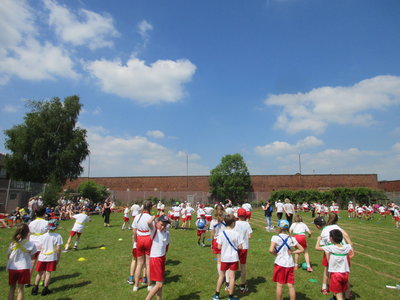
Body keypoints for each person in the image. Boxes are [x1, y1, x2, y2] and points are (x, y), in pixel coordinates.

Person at [314, 214, 352, 296]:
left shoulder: (324, 231)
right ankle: (348, 292)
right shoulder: (337, 227)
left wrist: (329, 260)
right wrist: (351, 247)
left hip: (332, 251)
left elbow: (324, 248)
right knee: (344, 271)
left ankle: (325, 288)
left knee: (328, 270)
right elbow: (346, 235)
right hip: (343, 250)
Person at [269, 219, 304, 300]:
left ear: (279, 227)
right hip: (290, 264)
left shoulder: (275, 237)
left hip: (280, 263)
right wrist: (292, 251)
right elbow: (301, 249)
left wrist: (275, 254)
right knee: (291, 286)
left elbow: (270, 250)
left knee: (279, 285)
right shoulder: (291, 238)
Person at [212, 214, 243, 300]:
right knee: (232, 277)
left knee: (221, 276)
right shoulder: (237, 234)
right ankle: (230, 296)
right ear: (233, 223)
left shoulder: (221, 233)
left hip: (224, 258)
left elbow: (218, 247)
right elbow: (240, 247)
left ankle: (217, 295)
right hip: (234, 258)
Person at [32, 219, 63, 296]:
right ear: (56, 227)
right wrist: (58, 258)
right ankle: (45, 289)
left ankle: (35, 289)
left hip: (42, 256)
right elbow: (58, 249)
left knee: (39, 273)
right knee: (48, 273)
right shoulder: (58, 236)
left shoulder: (43, 236)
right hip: (51, 257)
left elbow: (40, 246)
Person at [7, 223, 37, 300]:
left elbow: (8, 256)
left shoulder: (13, 243)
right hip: (24, 268)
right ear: (27, 232)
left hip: (13, 268)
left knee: (11, 289)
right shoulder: (30, 244)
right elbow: (33, 256)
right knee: (20, 289)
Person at [145, 215, 171, 300]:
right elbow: (149, 223)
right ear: (157, 223)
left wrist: (167, 221)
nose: (163, 226)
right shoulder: (154, 230)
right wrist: (154, 217)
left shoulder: (166, 233)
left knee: (160, 283)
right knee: (159, 284)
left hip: (162, 258)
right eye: (161, 224)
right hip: (155, 259)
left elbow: (166, 245)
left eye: (165, 225)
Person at [132, 201, 154, 292]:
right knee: (148, 263)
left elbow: (134, 231)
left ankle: (136, 286)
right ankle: (149, 285)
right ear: (150, 208)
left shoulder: (137, 217)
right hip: (148, 238)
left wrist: (135, 240)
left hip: (139, 239)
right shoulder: (150, 218)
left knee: (139, 263)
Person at [234, 208, 253, 293]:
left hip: (235, 246)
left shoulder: (234, 223)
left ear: (237, 215)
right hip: (244, 247)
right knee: (243, 265)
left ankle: (229, 283)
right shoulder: (247, 224)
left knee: (233, 265)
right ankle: (242, 284)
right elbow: (250, 236)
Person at [28, 207, 48, 285]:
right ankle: (42, 280)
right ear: (44, 213)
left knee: (32, 262)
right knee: (43, 262)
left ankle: (27, 280)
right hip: (42, 243)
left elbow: (29, 233)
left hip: (33, 243)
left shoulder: (31, 223)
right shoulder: (46, 222)